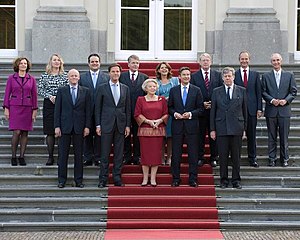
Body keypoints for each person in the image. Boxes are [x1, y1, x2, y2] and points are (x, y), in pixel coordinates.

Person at [210, 67, 247, 189]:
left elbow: (245, 111)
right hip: (221, 127)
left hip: (237, 127)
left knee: (236, 156)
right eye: (225, 76)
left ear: (234, 77)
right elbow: (213, 111)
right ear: (222, 78)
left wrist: (244, 129)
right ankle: (224, 180)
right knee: (223, 156)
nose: (227, 78)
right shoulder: (216, 91)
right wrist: (212, 129)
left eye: (229, 76)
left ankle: (236, 180)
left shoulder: (241, 90)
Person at [95, 63, 131, 188]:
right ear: (109, 73)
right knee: (104, 153)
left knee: (118, 153)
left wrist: (127, 125)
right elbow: (97, 107)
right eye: (113, 71)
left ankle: (117, 177)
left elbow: (128, 108)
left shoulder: (125, 88)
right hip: (106, 124)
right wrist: (98, 125)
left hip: (120, 125)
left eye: (118, 72)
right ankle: (103, 179)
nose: (116, 74)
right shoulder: (102, 87)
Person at [54, 69, 91, 188]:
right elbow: (57, 110)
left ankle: (78, 180)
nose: (74, 77)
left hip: (80, 127)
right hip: (65, 126)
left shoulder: (85, 91)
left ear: (79, 78)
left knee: (79, 155)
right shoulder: (61, 90)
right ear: (68, 78)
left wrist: (87, 126)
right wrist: (57, 126)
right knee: (63, 155)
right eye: (72, 76)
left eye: (76, 76)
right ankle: (61, 180)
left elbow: (88, 111)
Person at [168, 67, 204, 188]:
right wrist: (174, 114)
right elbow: (169, 107)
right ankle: (176, 179)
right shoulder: (173, 90)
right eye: (184, 75)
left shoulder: (196, 90)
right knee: (176, 154)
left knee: (193, 154)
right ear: (179, 77)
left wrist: (190, 114)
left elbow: (201, 109)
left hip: (192, 126)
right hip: (177, 125)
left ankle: (193, 179)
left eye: (188, 75)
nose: (186, 77)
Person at [261, 53, 297, 167]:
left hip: (284, 111)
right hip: (271, 110)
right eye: (273, 60)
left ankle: (284, 158)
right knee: (271, 136)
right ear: (271, 62)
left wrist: (286, 100)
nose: (276, 62)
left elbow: (293, 91)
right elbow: (263, 91)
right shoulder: (266, 76)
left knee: (284, 137)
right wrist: (271, 100)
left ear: (281, 61)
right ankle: (272, 159)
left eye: (277, 60)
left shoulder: (289, 75)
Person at [3, 57, 38, 166]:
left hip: (27, 107)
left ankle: (21, 156)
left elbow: (35, 96)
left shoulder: (31, 79)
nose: (23, 65)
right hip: (15, 107)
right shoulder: (11, 78)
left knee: (24, 133)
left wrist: (34, 110)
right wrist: (6, 108)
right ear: (17, 65)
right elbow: (7, 94)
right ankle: (13, 156)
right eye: (21, 63)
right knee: (16, 132)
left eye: (25, 63)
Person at [190, 53, 223, 167]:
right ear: (199, 62)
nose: (205, 62)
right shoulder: (194, 76)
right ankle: (200, 157)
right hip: (200, 111)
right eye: (203, 60)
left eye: (207, 60)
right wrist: (201, 104)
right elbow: (192, 93)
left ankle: (214, 157)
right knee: (200, 135)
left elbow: (220, 91)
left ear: (211, 62)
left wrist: (214, 103)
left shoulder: (218, 75)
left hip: (215, 111)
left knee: (214, 134)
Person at [135, 79, 168, 187]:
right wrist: (148, 121)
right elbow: (137, 114)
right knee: (145, 155)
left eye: (154, 86)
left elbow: (166, 113)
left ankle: (153, 178)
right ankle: (145, 178)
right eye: (150, 86)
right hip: (145, 131)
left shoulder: (162, 99)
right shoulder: (140, 99)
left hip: (157, 131)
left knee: (155, 155)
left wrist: (159, 121)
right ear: (145, 88)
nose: (153, 88)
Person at [38, 54, 68, 165]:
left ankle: (61, 156)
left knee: (61, 130)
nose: (56, 62)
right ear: (51, 62)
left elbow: (69, 89)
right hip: (49, 104)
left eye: (58, 60)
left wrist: (59, 97)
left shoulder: (65, 76)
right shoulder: (44, 76)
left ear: (61, 62)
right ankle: (50, 156)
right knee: (50, 131)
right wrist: (49, 96)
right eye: (54, 60)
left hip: (63, 104)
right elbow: (40, 89)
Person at [79, 53, 109, 166]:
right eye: (92, 62)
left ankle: (97, 157)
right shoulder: (82, 77)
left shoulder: (106, 77)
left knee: (99, 135)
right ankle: (87, 157)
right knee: (87, 134)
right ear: (88, 63)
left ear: (100, 63)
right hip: (86, 110)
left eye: (96, 61)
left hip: (102, 110)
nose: (95, 63)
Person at [234, 51, 262, 167]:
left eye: (246, 59)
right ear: (239, 60)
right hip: (237, 110)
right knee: (236, 135)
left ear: (249, 60)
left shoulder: (255, 74)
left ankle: (252, 158)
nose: (244, 61)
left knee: (251, 134)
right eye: (242, 59)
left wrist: (259, 108)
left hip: (251, 109)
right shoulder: (234, 74)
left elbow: (259, 93)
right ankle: (236, 158)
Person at [119, 55, 148, 165]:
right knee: (125, 134)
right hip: (124, 110)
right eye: (133, 63)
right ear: (128, 64)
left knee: (137, 134)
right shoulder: (122, 76)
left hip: (139, 111)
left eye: (137, 63)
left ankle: (137, 156)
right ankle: (126, 156)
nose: (135, 65)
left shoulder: (144, 77)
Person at [155, 62, 179, 165]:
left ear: (169, 70)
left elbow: (178, 93)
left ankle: (169, 157)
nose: (164, 69)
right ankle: (161, 157)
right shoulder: (155, 81)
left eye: (166, 68)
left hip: (171, 110)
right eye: (162, 68)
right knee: (161, 135)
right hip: (159, 111)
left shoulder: (175, 81)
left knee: (170, 135)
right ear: (158, 70)